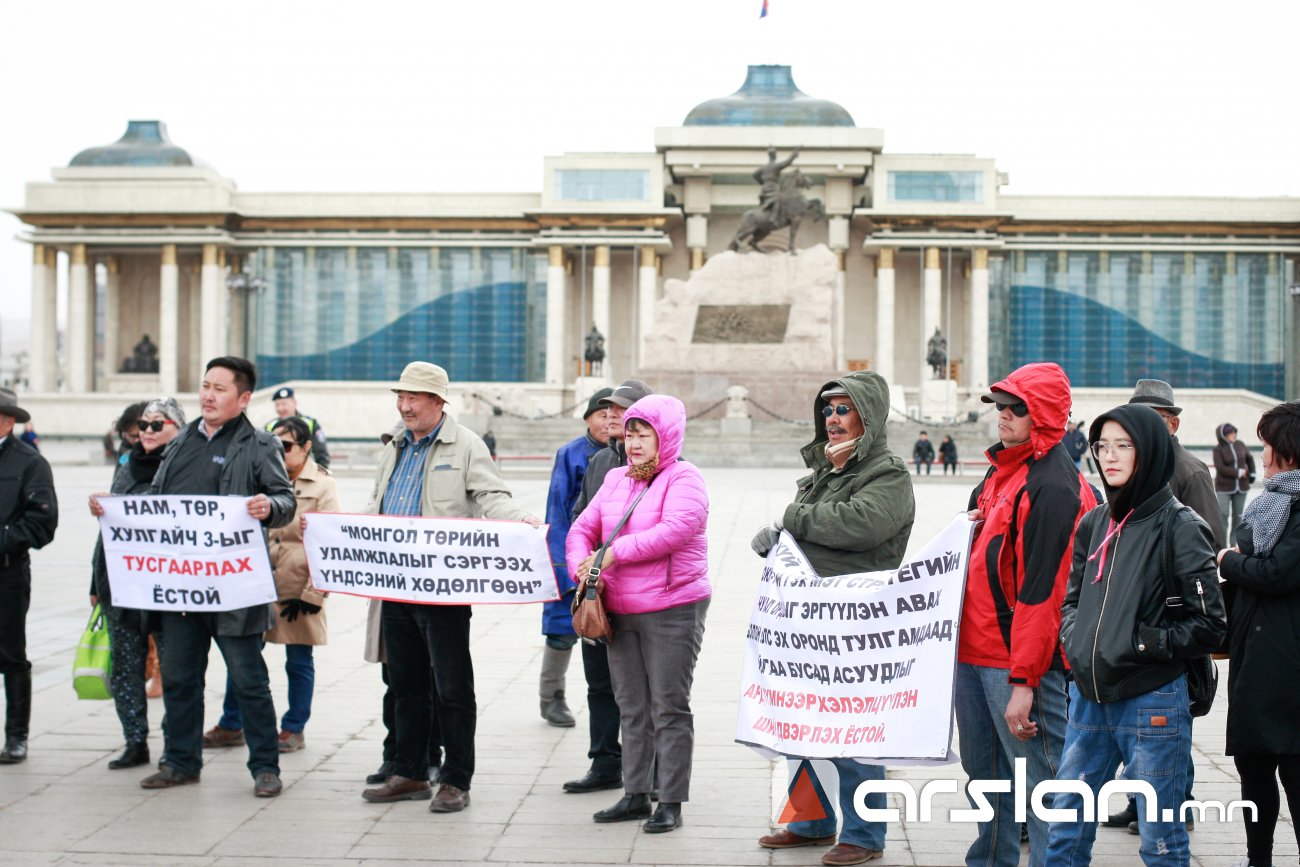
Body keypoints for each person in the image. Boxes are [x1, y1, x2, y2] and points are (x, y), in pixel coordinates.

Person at [1045, 403, 1226, 866]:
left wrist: (1142, 644)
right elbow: (1072, 599)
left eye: (1123, 445)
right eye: (1102, 446)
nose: (1109, 456)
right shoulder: (1095, 522)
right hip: (1088, 698)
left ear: (1149, 451)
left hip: (1152, 700)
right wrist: (1076, 638)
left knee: (1160, 835)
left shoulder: (1181, 526)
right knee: (1064, 825)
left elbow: (1210, 625)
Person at [360, 362, 539, 813]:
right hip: (395, 585)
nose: (404, 405)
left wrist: (520, 520)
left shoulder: (465, 445)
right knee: (404, 684)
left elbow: (490, 496)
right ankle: (410, 771)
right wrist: (337, 535)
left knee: (452, 687)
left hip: (442, 591)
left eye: (413, 398)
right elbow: (374, 505)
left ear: (438, 401)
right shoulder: (394, 447)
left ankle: (456, 780)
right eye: (400, 397)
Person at [753, 371, 916, 867]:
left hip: (857, 627)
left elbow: (860, 524)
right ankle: (810, 821)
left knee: (853, 731)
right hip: (811, 624)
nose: (834, 419)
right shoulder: (823, 471)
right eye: (828, 410)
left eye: (844, 410)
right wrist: (778, 541)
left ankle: (865, 834)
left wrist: (791, 519)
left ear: (868, 416)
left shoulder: (887, 472)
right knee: (803, 723)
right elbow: (810, 531)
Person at [955, 362, 1096, 867]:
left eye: (1017, 407)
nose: (1004, 416)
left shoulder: (1055, 486)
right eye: (1000, 405)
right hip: (974, 653)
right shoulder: (1003, 470)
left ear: (1045, 414)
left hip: (1023, 662)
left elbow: (1044, 594)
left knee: (1047, 782)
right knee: (987, 775)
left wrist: (1025, 681)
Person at [139, 357, 296, 797]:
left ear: (243, 398)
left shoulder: (260, 444)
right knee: (181, 677)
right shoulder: (181, 440)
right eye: (205, 385)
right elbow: (155, 501)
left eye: (219, 388)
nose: (208, 395)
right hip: (183, 587)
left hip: (234, 587)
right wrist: (115, 512)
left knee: (249, 680)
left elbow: (285, 498)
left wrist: (270, 506)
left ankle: (266, 767)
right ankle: (181, 762)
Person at [566, 394, 710, 835]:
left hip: (672, 607)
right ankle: (634, 793)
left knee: (668, 706)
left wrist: (611, 554)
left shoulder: (685, 477)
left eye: (643, 433)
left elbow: (675, 530)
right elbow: (582, 527)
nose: (634, 443)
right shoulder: (614, 480)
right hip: (620, 608)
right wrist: (581, 565)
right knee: (631, 705)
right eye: (629, 433)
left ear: (665, 436)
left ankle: (669, 800)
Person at [1105, 378, 1226, 832]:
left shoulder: (1189, 471)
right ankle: (1140, 800)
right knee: (1134, 717)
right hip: (1128, 614)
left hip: (1169, 617)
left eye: (1155, 419)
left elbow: (1207, 541)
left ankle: (1178, 803)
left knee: (1171, 719)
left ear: (1173, 424)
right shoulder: (1130, 466)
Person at [204, 416, 341, 754]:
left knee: (298, 660)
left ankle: (293, 728)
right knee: (244, 657)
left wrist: (314, 594)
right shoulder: (259, 476)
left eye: (288, 446)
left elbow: (331, 542)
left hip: (297, 588)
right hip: (257, 584)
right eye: (274, 446)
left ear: (307, 447)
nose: (280, 453)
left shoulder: (322, 484)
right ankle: (232, 723)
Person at [1216, 400, 1300, 867]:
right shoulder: (1266, 503)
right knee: (1252, 770)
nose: (1261, 455)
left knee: (1293, 769)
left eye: (1267, 445)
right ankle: (1258, 859)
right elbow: (1255, 559)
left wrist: (1231, 562)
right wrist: (1241, 562)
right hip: (1252, 656)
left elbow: (1279, 573)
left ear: (1288, 449)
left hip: (1289, 661)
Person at [562, 378, 654, 795]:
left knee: (645, 689)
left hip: (643, 592)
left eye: (623, 408)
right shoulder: (601, 461)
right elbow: (582, 518)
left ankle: (652, 773)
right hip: (600, 589)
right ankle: (604, 762)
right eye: (610, 409)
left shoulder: (671, 463)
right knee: (599, 682)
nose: (614, 415)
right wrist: (577, 568)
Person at [88, 396, 185, 769]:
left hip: (170, 585)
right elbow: (108, 530)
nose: (146, 431)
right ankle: (134, 740)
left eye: (156, 424)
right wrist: (95, 582)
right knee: (126, 665)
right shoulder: (127, 464)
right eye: (143, 425)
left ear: (176, 427)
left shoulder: (186, 464)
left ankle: (175, 743)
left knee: (176, 667)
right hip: (122, 582)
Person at [538, 388, 613, 728]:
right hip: (571, 559)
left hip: (611, 563)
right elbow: (557, 508)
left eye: (614, 415)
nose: (608, 421)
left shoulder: (629, 456)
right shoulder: (571, 454)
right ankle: (551, 698)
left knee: (603, 632)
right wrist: (562, 564)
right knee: (561, 631)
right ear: (588, 419)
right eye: (602, 414)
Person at [0, 387, 58, 765]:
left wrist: (3, 539)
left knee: (9, 654)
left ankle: (16, 736)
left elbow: (42, 521)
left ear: (7, 421)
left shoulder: (29, 462)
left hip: (6, 573)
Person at [264, 386, 330, 470]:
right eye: (277, 405)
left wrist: (319, 475)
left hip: (305, 474)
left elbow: (322, 454)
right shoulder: (270, 426)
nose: (280, 408)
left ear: (294, 403)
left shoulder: (310, 424)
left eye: (284, 404)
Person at [1214, 422, 1255, 541]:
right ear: (1223, 435)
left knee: (1238, 516)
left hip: (1241, 486)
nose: (1233, 434)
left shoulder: (1240, 444)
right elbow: (1220, 468)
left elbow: (1250, 459)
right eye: (1230, 433)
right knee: (1223, 513)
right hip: (1223, 487)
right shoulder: (1218, 449)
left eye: (1233, 432)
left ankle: (1234, 543)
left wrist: (1252, 474)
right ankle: (1221, 542)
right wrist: (1238, 472)